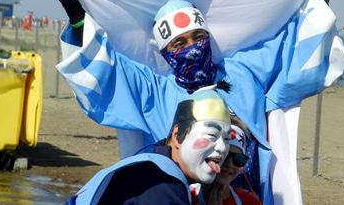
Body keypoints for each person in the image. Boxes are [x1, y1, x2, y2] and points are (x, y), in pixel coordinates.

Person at [54, 0, 344, 203]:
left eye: (197, 37)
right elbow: (106, 69)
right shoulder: (155, 92)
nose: (192, 48)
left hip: (247, 197)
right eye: (179, 43)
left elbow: (292, 45)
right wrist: (73, 6)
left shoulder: (245, 73)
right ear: (166, 51)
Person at [67, 87, 232, 204]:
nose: (222, 148)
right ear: (177, 136)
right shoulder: (162, 187)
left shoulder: (151, 161)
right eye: (212, 135)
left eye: (226, 139)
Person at [196, 118, 262, 205]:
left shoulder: (251, 202)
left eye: (238, 158)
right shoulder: (184, 195)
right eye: (225, 155)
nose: (230, 165)